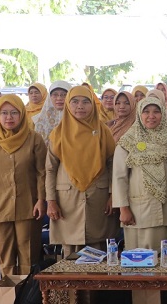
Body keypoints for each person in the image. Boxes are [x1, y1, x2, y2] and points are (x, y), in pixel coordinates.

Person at [0, 95, 46, 278]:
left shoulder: (34, 139)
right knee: (5, 259)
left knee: (28, 257)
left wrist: (41, 199)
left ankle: (26, 302)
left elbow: (42, 172)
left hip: (28, 205)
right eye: (4, 113)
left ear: (22, 114)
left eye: (14, 112)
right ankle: (8, 302)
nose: (9, 117)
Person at [46, 86, 118, 256]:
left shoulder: (103, 132)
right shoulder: (58, 134)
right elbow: (50, 170)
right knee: (70, 249)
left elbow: (112, 165)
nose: (80, 106)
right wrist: (51, 201)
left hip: (98, 198)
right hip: (66, 200)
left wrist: (112, 195)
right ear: (68, 105)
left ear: (93, 105)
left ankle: (98, 284)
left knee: (98, 248)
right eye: (75, 102)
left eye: (86, 102)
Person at [114, 96, 167, 255]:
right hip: (140, 211)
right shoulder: (128, 141)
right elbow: (119, 177)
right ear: (139, 114)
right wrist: (123, 208)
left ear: (163, 114)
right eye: (146, 112)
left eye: (156, 112)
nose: (151, 116)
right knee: (142, 260)